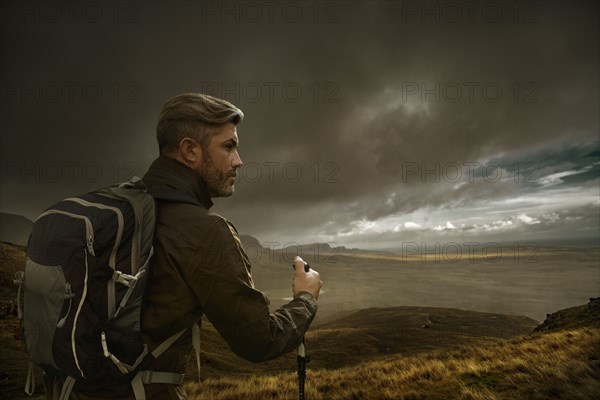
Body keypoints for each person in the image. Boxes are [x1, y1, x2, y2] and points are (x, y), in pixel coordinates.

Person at [139, 93, 322, 400]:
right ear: (190, 150)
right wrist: (306, 297)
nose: (239, 161)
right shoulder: (206, 231)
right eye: (229, 146)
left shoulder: (132, 210)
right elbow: (259, 340)